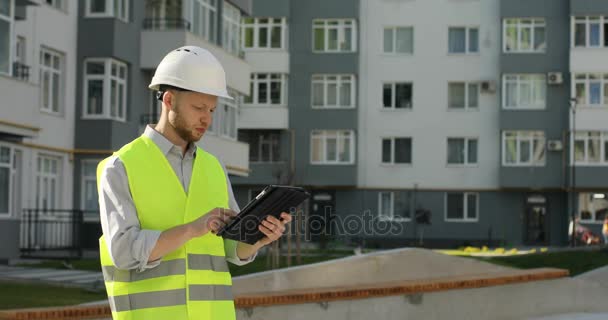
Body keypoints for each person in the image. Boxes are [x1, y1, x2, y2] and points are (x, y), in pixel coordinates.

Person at [97, 46, 292, 320]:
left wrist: (259, 237)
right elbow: (124, 252)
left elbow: (231, 249)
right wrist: (191, 229)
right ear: (169, 100)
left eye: (212, 109)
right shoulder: (120, 167)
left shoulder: (213, 167)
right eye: (198, 108)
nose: (207, 118)